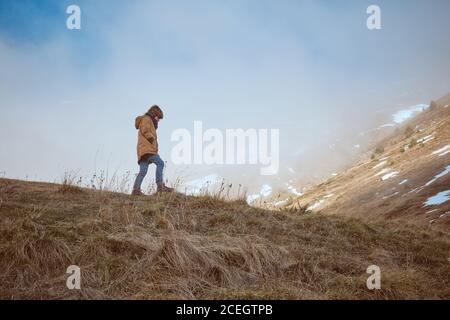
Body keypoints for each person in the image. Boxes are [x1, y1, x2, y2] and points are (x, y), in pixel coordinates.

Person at [132, 105, 174, 195]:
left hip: (143, 151)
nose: (158, 120)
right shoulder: (147, 119)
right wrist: (151, 138)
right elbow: (145, 129)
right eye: (158, 118)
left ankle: (136, 190)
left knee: (143, 171)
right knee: (160, 163)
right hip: (147, 150)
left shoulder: (148, 120)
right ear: (154, 114)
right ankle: (160, 186)